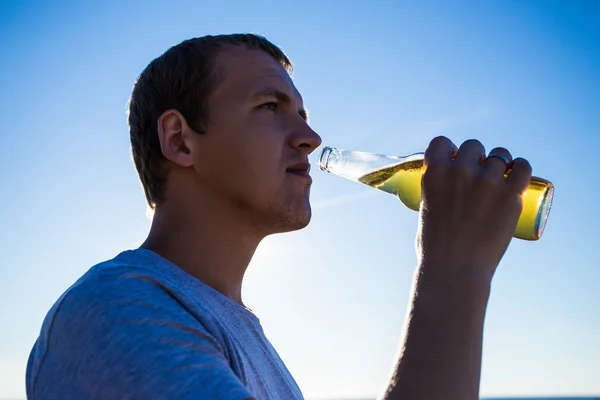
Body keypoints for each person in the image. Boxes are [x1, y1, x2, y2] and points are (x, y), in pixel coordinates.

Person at [25, 33, 532, 400]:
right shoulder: (117, 311)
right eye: (270, 106)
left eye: (304, 115)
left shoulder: (226, 329)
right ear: (180, 140)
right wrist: (454, 272)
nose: (309, 138)